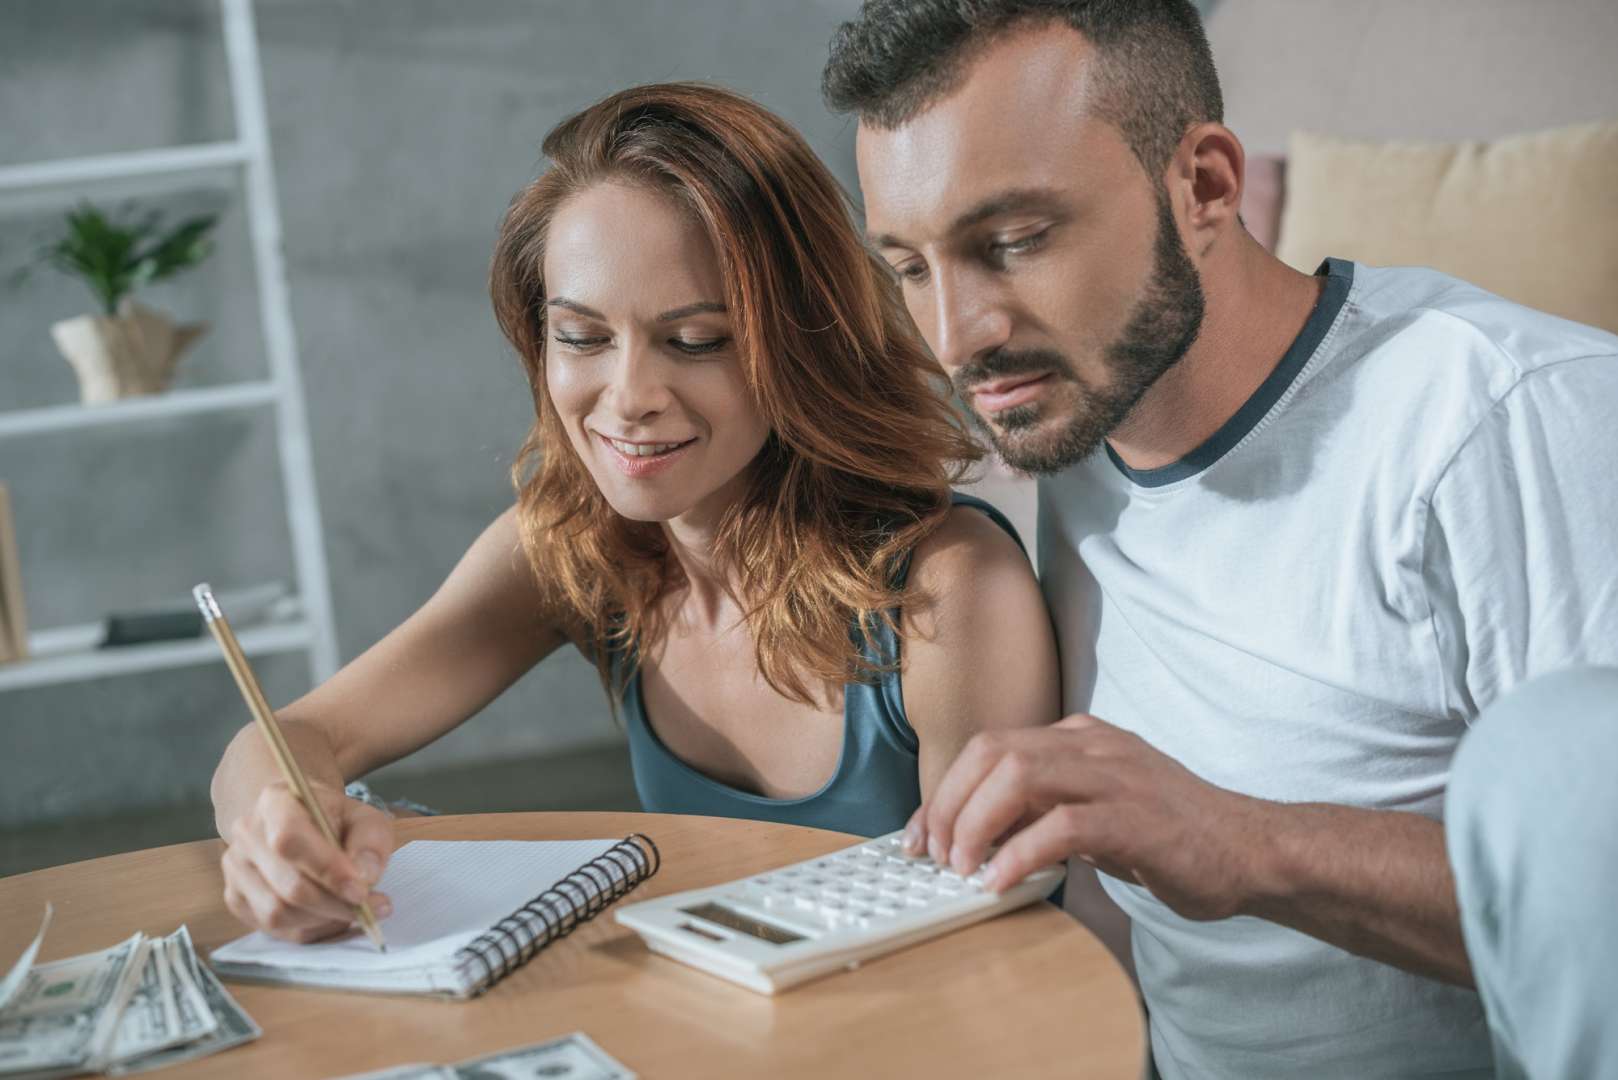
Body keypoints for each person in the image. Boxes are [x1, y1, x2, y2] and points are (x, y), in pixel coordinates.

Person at [823, 1, 1618, 1077]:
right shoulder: (1081, 421)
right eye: (910, 267)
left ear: (1203, 185)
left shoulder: (1508, 419)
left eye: (1011, 242)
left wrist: (1241, 841)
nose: (958, 337)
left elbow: (1595, 909)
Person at [209, 82, 1057, 945]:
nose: (630, 397)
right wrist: (282, 817)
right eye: (581, 337)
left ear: (805, 340)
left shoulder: (946, 590)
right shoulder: (577, 553)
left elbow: (999, 951)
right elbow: (290, 736)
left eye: (695, 341)